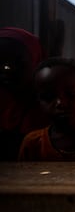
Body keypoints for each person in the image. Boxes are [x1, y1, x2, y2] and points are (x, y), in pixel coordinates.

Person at [18, 58, 75, 161]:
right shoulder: (33, 144)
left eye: (71, 95)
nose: (61, 103)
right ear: (38, 103)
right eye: (48, 97)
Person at [0, 27, 49, 161]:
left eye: (18, 62)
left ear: (36, 62)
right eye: (0, 62)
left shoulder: (53, 109)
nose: (6, 69)